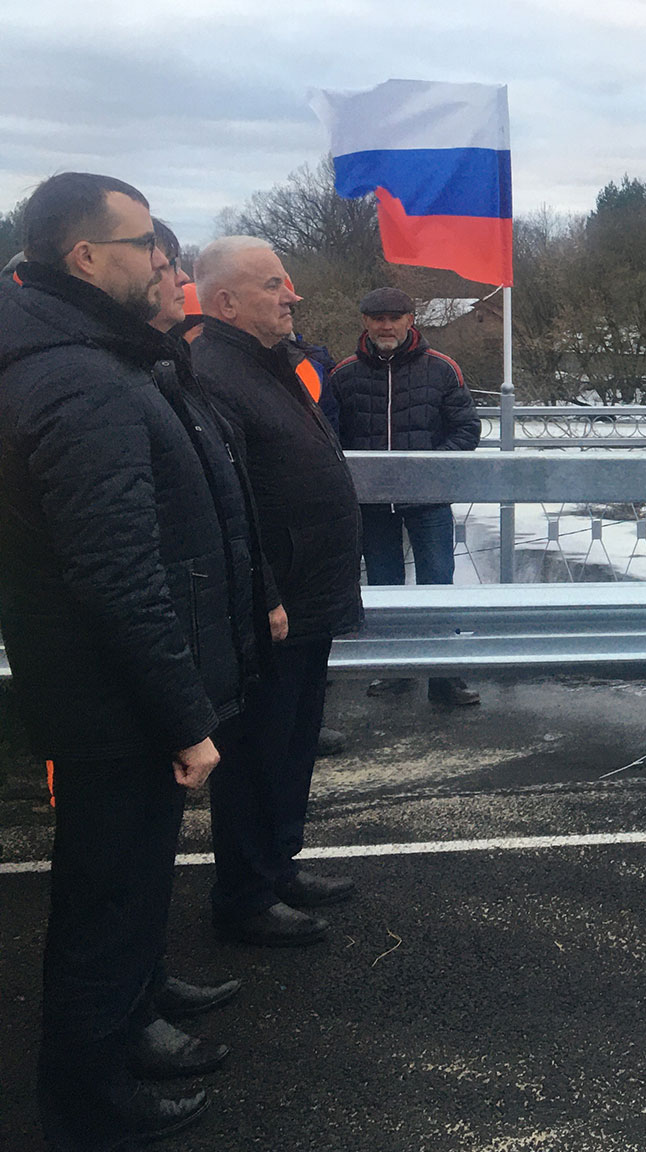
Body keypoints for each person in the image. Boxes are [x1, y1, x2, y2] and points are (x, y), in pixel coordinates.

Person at [0, 172, 262, 1147]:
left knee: (126, 886)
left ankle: (131, 1021)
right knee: (105, 902)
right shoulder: (75, 378)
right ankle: (89, 1105)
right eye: (144, 243)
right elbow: (116, 572)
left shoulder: (90, 354)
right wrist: (183, 715)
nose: (162, 259)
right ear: (85, 257)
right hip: (112, 700)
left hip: (113, 690)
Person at [192, 236, 364, 947]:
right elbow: (224, 501)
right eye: (273, 285)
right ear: (227, 302)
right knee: (259, 750)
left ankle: (279, 863)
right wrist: (265, 592)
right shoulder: (213, 374)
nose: (292, 295)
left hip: (309, 593)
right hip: (274, 605)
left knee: (293, 743)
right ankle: (245, 895)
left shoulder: (270, 362)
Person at [327, 287, 482, 705]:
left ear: (410, 320)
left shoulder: (443, 369)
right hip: (372, 503)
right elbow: (329, 438)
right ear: (365, 322)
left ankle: (444, 677)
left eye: (394, 318)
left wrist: (427, 470)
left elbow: (467, 430)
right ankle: (395, 669)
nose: (386, 326)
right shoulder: (343, 375)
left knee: (438, 583)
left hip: (428, 500)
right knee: (383, 586)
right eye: (378, 318)